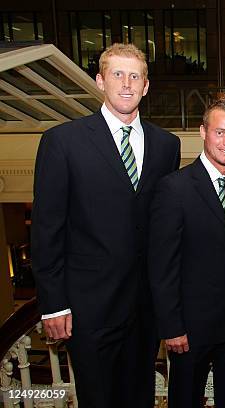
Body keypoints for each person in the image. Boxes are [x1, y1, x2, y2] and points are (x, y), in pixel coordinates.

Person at [31, 43, 181, 408]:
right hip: (88, 310)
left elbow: (164, 229)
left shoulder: (166, 145)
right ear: (100, 81)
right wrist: (53, 305)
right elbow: (47, 229)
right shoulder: (63, 142)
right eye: (117, 74)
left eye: (135, 76)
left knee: (140, 397)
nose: (126, 84)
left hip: (144, 309)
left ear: (146, 86)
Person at [148, 99, 225, 408]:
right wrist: (171, 326)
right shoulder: (174, 188)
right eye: (220, 132)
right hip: (189, 329)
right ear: (203, 132)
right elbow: (162, 264)